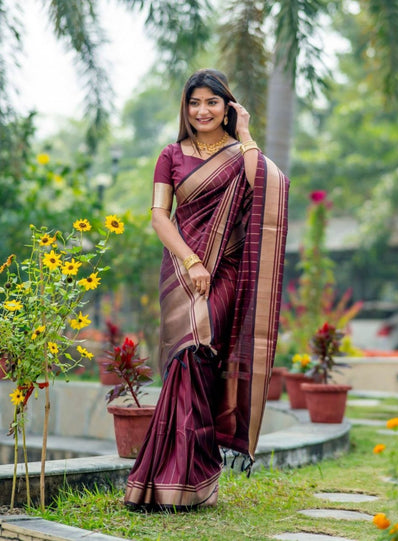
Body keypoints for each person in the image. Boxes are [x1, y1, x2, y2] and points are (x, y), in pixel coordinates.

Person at [124, 68, 289, 511]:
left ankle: (186, 473)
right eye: (194, 102)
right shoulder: (170, 155)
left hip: (228, 271)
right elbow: (160, 216)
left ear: (227, 106)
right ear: (186, 107)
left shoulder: (241, 155)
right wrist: (192, 259)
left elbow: (271, 190)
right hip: (181, 270)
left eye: (212, 102)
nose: (202, 110)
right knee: (186, 359)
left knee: (200, 355)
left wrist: (248, 134)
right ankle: (177, 476)